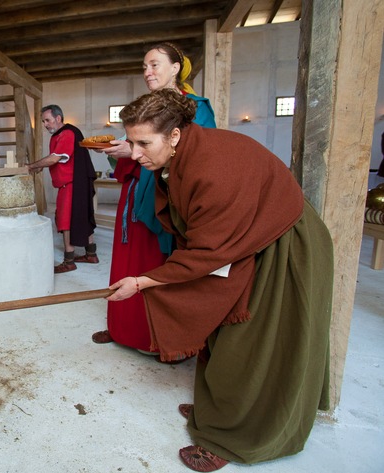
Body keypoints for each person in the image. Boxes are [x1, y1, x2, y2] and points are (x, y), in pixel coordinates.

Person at [106, 89, 333, 471]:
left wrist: (143, 281)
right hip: (239, 238)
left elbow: (208, 252)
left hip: (279, 244)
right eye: (131, 141)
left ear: (174, 136)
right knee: (217, 330)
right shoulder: (183, 153)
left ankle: (233, 437)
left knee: (248, 341)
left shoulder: (213, 169)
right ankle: (217, 409)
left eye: (144, 143)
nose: (135, 151)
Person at [92, 43, 216, 359]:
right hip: (135, 194)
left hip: (166, 199)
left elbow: (197, 156)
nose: (148, 72)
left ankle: (158, 339)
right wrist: (124, 150)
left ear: (176, 67)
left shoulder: (197, 107)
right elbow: (142, 147)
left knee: (157, 266)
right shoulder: (145, 106)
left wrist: (137, 150)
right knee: (125, 258)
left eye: (155, 65)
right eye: (144, 66)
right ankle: (122, 328)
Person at [27, 105, 98, 273]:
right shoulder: (66, 133)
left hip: (71, 184)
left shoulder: (66, 133)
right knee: (84, 216)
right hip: (77, 182)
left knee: (65, 220)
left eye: (47, 120)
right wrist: (39, 166)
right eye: (43, 121)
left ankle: (69, 260)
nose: (45, 124)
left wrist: (32, 166)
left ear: (58, 118)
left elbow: (55, 158)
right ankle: (91, 254)